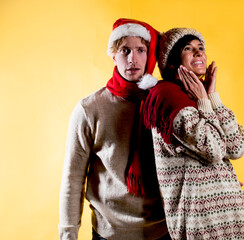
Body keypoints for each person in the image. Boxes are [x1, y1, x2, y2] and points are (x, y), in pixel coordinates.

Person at [59, 18, 169, 240]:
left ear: (150, 56)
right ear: (113, 54)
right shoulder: (89, 109)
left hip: (163, 230)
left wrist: (232, 192)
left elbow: (197, 159)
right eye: (125, 50)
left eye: (141, 50)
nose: (132, 59)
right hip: (108, 233)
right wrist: (68, 235)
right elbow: (73, 178)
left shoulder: (166, 103)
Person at [143, 28, 244, 239]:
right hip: (203, 226)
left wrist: (212, 96)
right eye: (188, 48)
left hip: (231, 220)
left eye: (201, 48)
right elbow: (213, 150)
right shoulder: (168, 97)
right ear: (172, 63)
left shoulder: (197, 96)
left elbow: (236, 147)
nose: (198, 53)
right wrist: (204, 102)